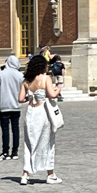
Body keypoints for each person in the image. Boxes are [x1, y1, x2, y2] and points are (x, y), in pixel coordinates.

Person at [18, 56, 62, 185]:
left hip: (31, 112)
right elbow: (52, 95)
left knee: (29, 142)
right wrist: (58, 87)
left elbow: (20, 99)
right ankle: (50, 174)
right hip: (43, 111)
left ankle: (25, 174)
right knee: (47, 142)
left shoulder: (26, 81)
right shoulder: (46, 78)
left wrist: (29, 98)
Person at [0, 55, 24, 161]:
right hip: (16, 106)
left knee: (5, 130)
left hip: (4, 105)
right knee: (15, 129)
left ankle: (5, 151)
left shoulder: (1, 74)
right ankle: (15, 152)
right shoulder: (20, 75)